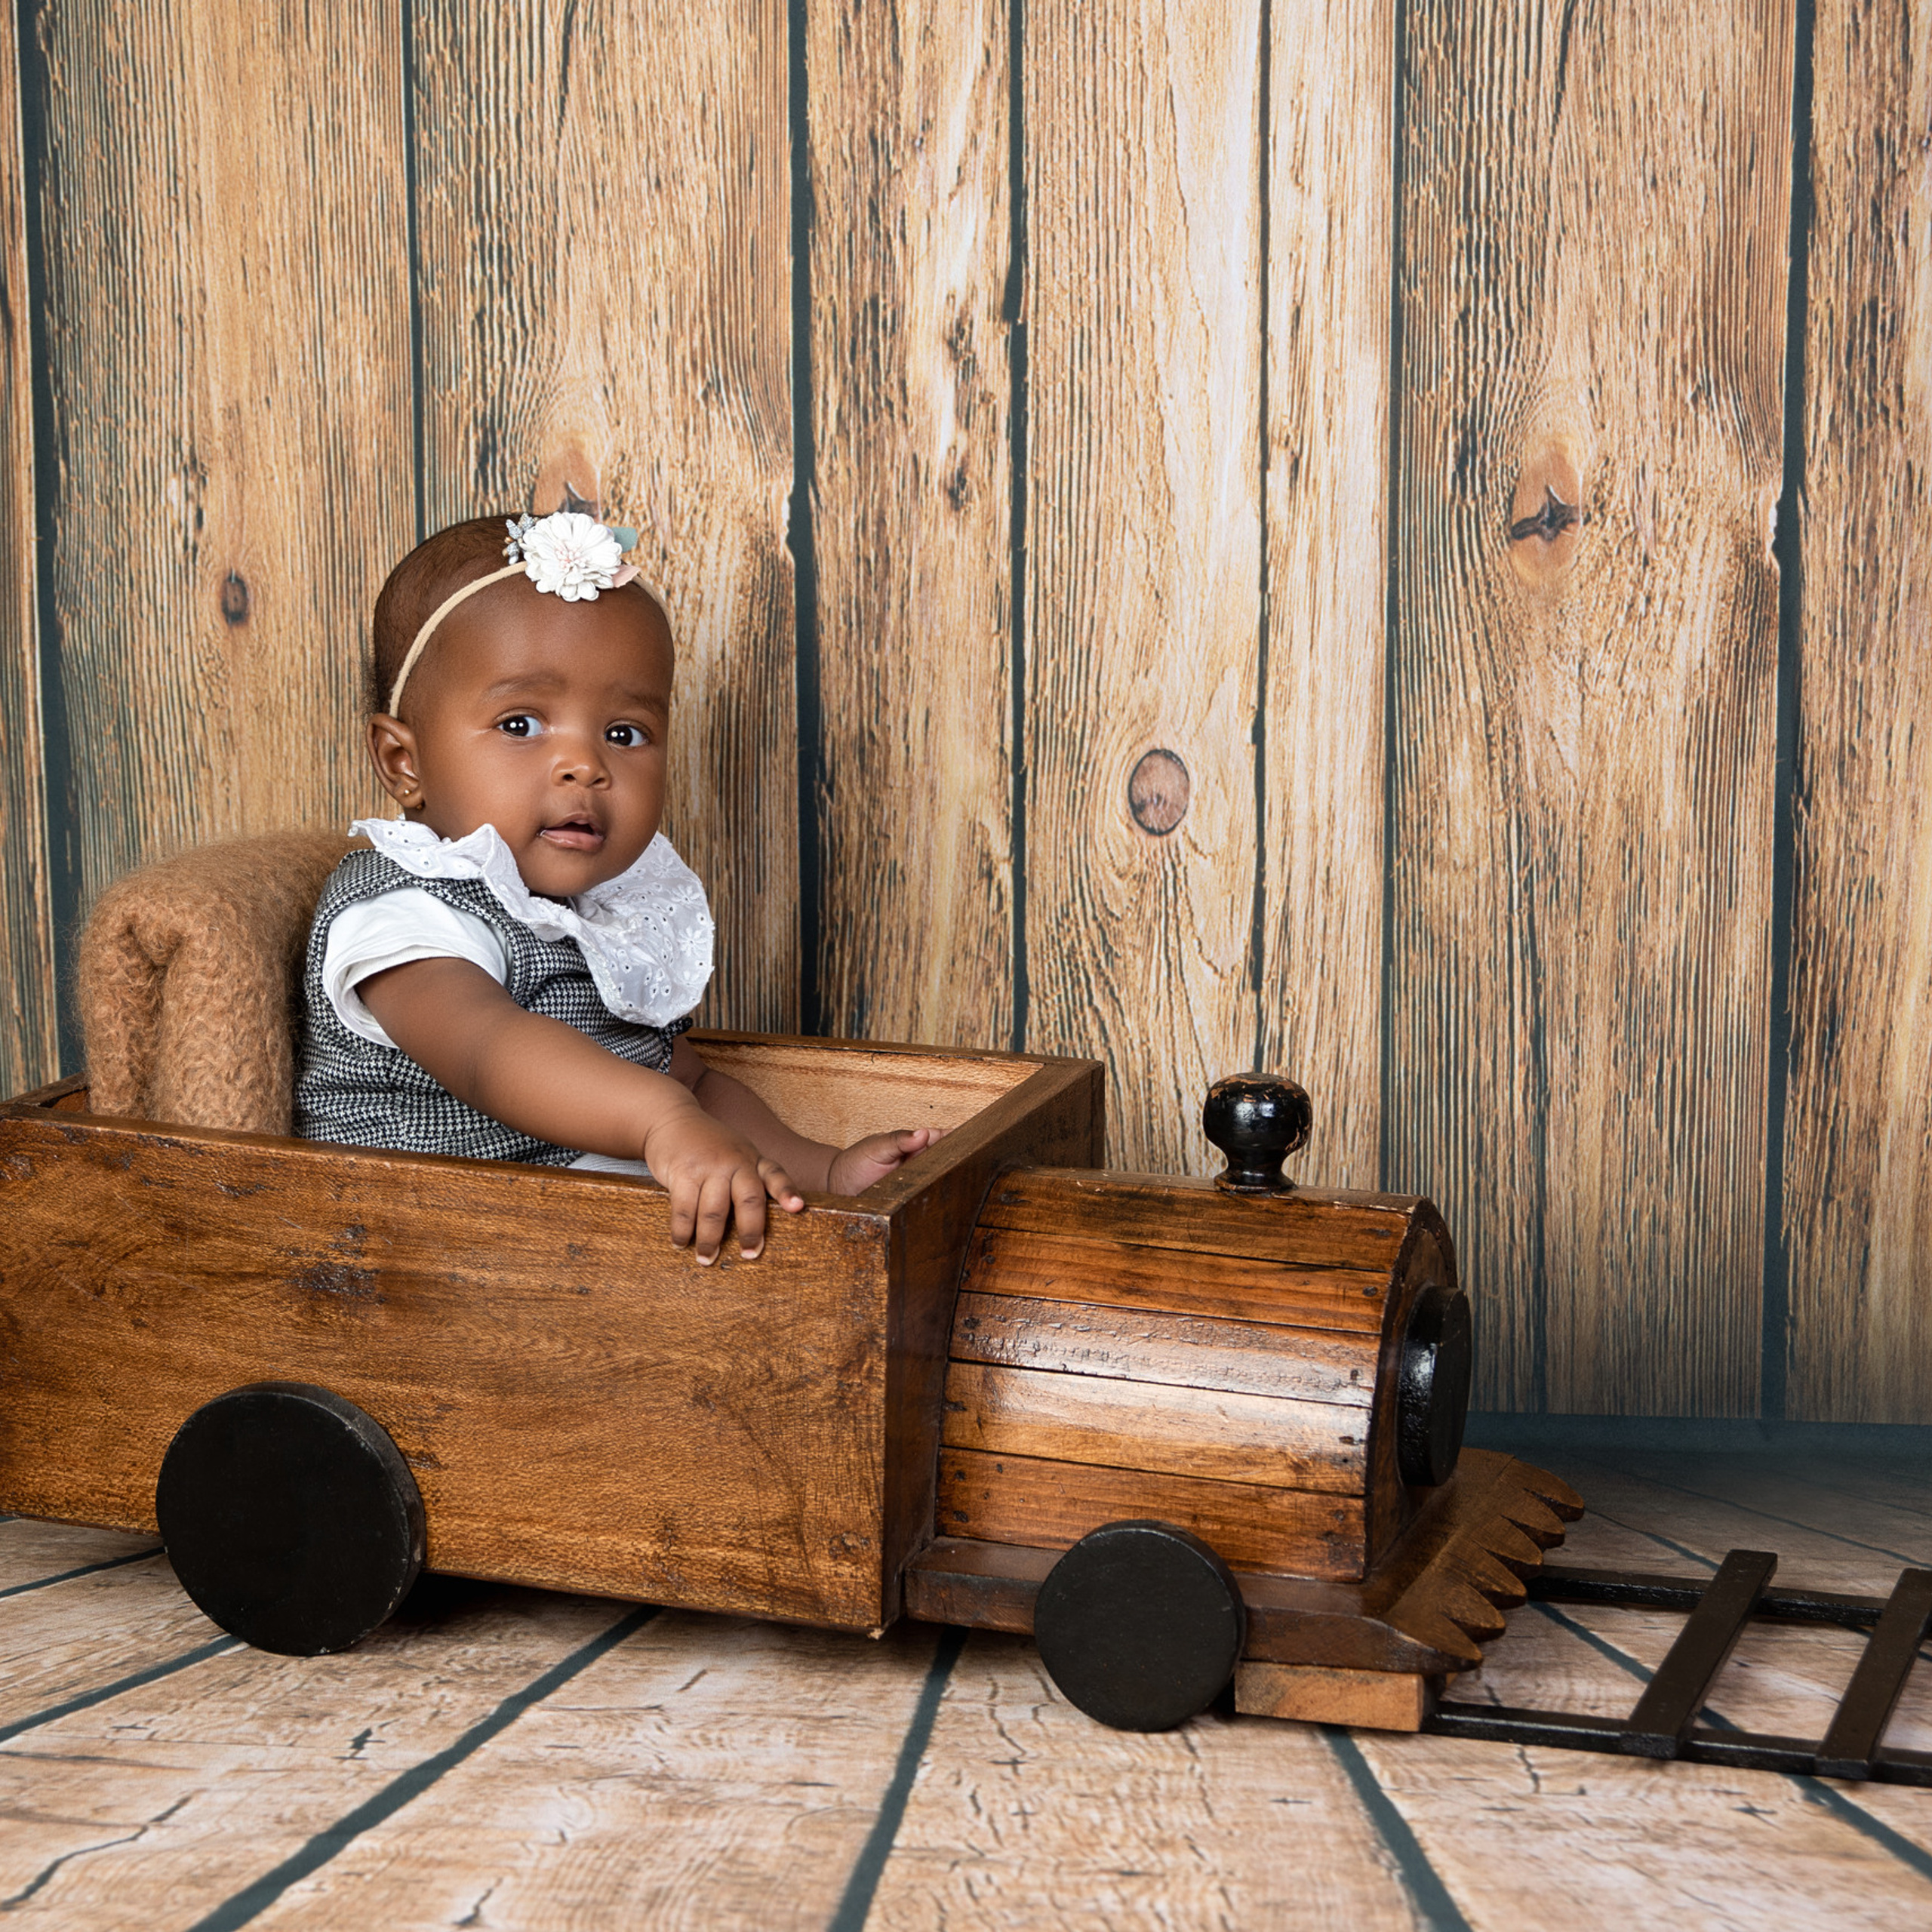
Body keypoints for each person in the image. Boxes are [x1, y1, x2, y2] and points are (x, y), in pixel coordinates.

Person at [294, 509, 940, 1263]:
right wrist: (660, 1120)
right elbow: (489, 1049)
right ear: (403, 761)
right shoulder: (403, 906)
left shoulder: (597, 918)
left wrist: (822, 1168)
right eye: (519, 724)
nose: (585, 765)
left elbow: (687, 1080)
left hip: (574, 1247)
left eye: (624, 733)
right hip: (414, 1250)